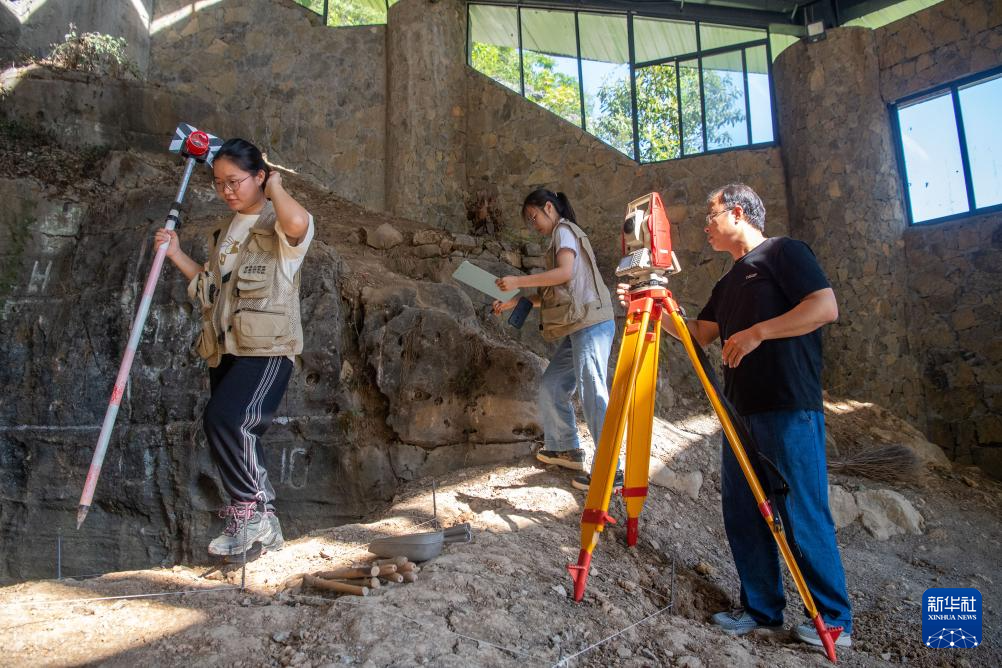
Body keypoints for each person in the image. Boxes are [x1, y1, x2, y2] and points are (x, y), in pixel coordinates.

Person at [619, 183, 852, 647]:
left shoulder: (784, 253)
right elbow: (698, 334)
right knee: (744, 514)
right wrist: (649, 304)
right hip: (739, 413)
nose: (705, 226)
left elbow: (824, 307)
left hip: (788, 405)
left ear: (739, 213)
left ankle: (833, 619)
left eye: (711, 215)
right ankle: (762, 610)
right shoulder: (726, 284)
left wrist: (757, 333)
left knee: (802, 511)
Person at [155, 138, 314, 557]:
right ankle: (260, 523)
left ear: (259, 176)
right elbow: (210, 289)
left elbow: (299, 225)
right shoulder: (224, 232)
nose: (226, 190)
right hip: (226, 349)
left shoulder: (277, 221)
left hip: (267, 348)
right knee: (225, 427)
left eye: (235, 181)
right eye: (219, 183)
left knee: (229, 420)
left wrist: (276, 187)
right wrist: (174, 254)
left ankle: (255, 511)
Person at [492, 189, 618, 491]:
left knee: (592, 387)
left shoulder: (564, 230)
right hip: (578, 326)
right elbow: (556, 290)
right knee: (552, 384)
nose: (533, 224)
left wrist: (518, 280)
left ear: (549, 207)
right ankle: (565, 448)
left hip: (592, 323)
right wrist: (516, 301)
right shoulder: (559, 238)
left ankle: (611, 467)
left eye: (534, 217)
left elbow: (563, 273)